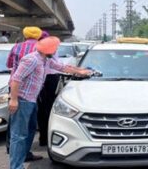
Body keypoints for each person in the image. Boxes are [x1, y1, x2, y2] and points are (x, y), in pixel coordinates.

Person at [8, 36, 91, 169]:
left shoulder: (45, 60)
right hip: (22, 100)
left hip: (32, 100)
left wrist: (80, 71)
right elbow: (16, 79)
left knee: (30, 131)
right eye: (55, 48)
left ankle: (26, 155)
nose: (56, 50)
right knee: (19, 135)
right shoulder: (31, 60)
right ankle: (16, 166)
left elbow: (62, 67)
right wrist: (13, 100)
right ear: (49, 49)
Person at [5, 26, 42, 160]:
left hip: (15, 89)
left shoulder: (16, 47)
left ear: (25, 35)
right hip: (29, 91)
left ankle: (15, 151)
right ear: (39, 36)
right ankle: (20, 156)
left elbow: (8, 64)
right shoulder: (40, 49)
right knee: (28, 127)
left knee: (15, 125)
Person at [36, 31, 62, 146]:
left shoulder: (37, 49)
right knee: (49, 109)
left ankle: (44, 138)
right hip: (49, 79)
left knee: (42, 110)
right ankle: (47, 137)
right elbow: (57, 65)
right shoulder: (48, 50)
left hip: (42, 80)